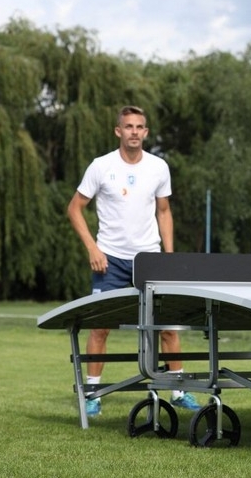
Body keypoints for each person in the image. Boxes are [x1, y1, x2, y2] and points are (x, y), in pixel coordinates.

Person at [68, 105, 200, 417]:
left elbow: (164, 211)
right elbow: (74, 208)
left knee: (166, 326)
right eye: (128, 126)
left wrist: (169, 256)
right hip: (110, 260)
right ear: (118, 131)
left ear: (146, 132)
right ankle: (93, 394)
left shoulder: (158, 167)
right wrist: (93, 249)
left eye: (139, 127)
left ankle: (178, 390)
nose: (134, 132)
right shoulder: (101, 166)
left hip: (150, 260)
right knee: (100, 327)